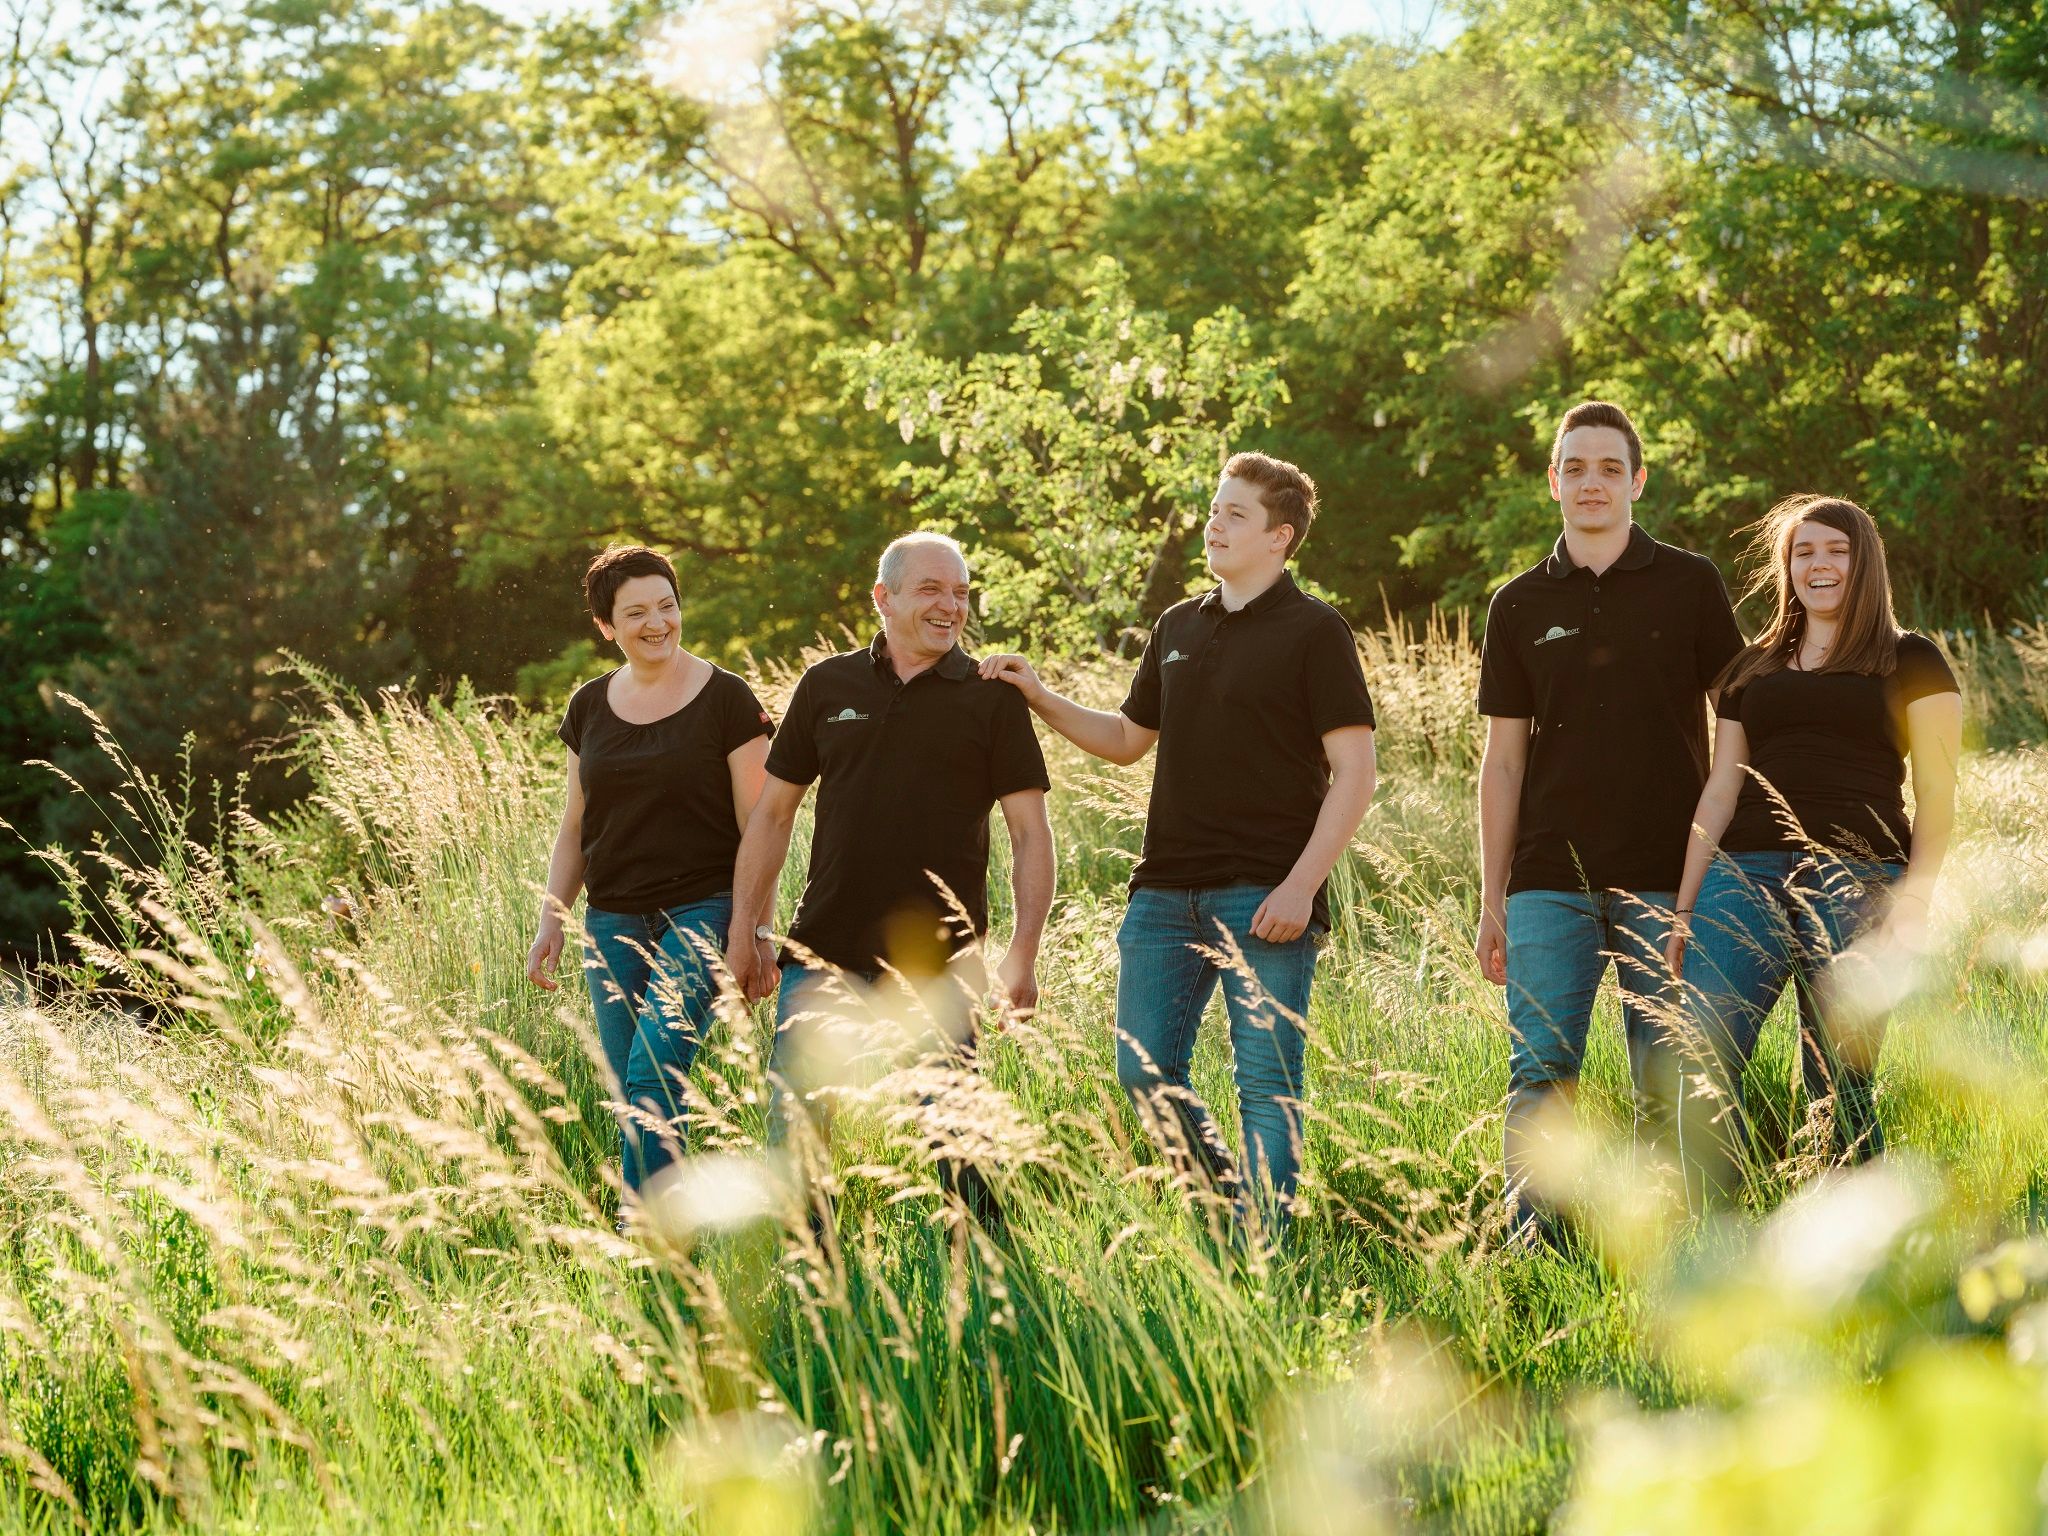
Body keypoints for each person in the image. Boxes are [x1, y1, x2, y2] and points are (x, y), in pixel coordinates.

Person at [981, 451, 1377, 1242]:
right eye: (1213, 509)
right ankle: (1234, 1214)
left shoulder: (1315, 630)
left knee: (1265, 1084)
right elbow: (1128, 739)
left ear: (1279, 537)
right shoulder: (1177, 626)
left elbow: (1356, 772)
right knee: (1144, 1071)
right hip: (1163, 894)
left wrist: (1301, 888)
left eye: (1235, 513)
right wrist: (1038, 694)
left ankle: (1266, 1253)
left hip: (1265, 895)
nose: (1213, 523)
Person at [725, 532, 1055, 1226]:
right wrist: (748, 932)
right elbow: (773, 816)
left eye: (961, 592)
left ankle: (990, 1286)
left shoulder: (991, 696)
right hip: (825, 949)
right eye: (932, 589)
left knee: (954, 1142)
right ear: (885, 597)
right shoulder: (827, 686)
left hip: (940, 959)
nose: (951, 606)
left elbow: (1030, 833)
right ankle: (813, 1292)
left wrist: (1022, 950)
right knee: (798, 1130)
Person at [1474, 401, 1745, 1246]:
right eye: (1576, 467)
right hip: (1548, 881)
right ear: (1553, 481)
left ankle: (1673, 1253)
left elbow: (1737, 725)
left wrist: (1714, 873)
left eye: (1609, 467)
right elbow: (1504, 761)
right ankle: (1536, 1250)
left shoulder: (1691, 582)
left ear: (1637, 479)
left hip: (1667, 873)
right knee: (1542, 1073)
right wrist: (1494, 896)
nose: (1593, 482)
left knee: (1666, 1075)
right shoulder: (1516, 604)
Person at [1663, 495, 1961, 1207]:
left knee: (1841, 1079)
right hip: (1744, 874)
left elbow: (1941, 796)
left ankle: (1852, 1253)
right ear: (1785, 565)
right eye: (1803, 552)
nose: (1818, 565)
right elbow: (1718, 792)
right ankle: (1712, 1238)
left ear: (1865, 562)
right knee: (1701, 1054)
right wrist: (1684, 905)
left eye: (1836, 550)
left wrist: (1915, 900)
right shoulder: (1751, 667)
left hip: (1860, 875)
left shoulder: (1911, 657)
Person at [527, 545, 775, 1200]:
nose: (657, 623)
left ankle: (644, 1235)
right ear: (606, 626)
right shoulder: (589, 706)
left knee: (653, 1074)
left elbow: (764, 827)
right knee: (633, 1089)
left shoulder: (727, 699)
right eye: (636, 612)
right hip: (610, 920)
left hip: (705, 910)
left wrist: (757, 929)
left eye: (667, 606)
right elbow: (576, 826)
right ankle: (672, 1239)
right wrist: (553, 920)